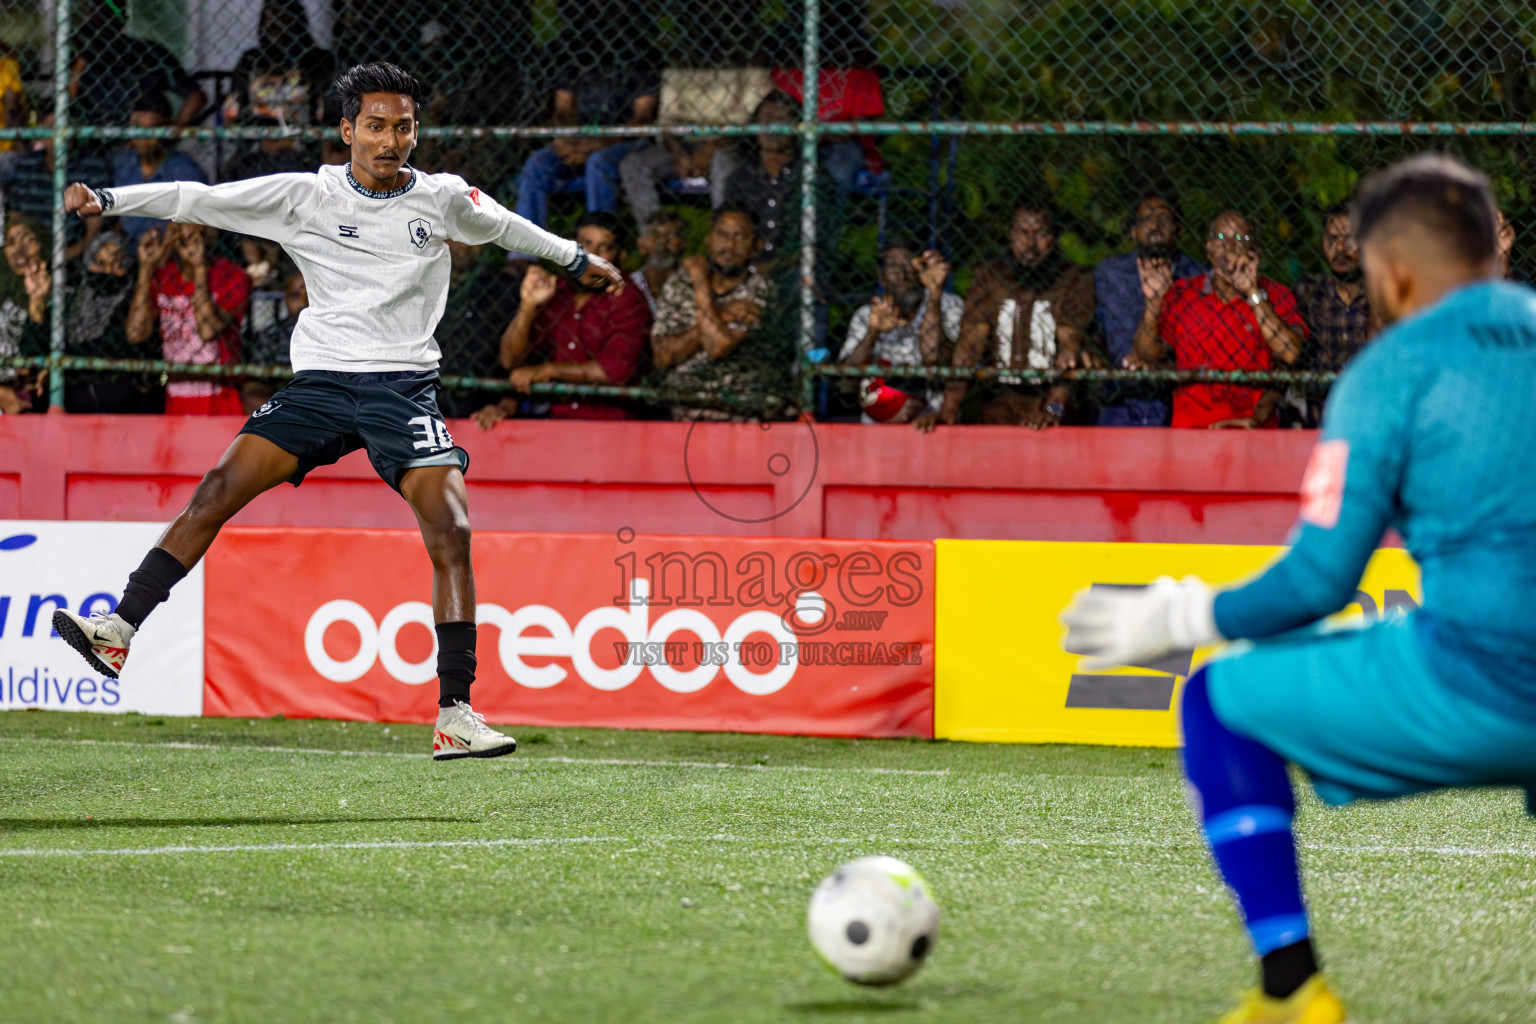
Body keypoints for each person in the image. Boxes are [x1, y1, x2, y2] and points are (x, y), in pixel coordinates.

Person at [1061, 154, 1536, 1024]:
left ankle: (1293, 988)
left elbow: (1321, 580)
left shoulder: (1390, 373)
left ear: (1390, 272)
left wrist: (1181, 611)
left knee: (1218, 701)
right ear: (1492, 250)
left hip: (1480, 682)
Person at [51, 62, 623, 761]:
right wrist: (108, 199)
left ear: (417, 131)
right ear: (347, 130)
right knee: (215, 492)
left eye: (403, 127)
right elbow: (197, 198)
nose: (390, 140)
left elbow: (506, 227)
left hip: (404, 388)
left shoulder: (442, 198)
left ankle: (456, 714)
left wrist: (573, 259)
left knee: (452, 530)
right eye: (376, 126)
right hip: (321, 383)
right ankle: (118, 632)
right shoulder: (305, 195)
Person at [915, 203, 1096, 431]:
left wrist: (1051, 411)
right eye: (1023, 233)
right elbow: (970, 346)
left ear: (1053, 238)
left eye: (1040, 234)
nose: (1030, 244)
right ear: (1011, 235)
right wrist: (949, 409)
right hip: (1000, 404)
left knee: (1076, 358)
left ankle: (1051, 416)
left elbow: (1071, 348)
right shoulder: (990, 277)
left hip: (1056, 402)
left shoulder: (1074, 279)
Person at [476, 211, 651, 426]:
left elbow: (614, 371)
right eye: (585, 245)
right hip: (554, 421)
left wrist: (548, 371)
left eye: (603, 248)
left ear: (620, 256)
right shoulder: (555, 291)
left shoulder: (628, 301)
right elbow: (511, 359)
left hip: (612, 424)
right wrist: (528, 307)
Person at [1137, 210, 1306, 429]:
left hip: (1252, 430)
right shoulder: (1183, 294)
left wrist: (1252, 292)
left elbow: (1291, 353)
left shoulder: (1275, 294)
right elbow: (1147, 354)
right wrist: (1153, 303)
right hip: (1191, 431)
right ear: (1208, 249)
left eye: (1240, 239)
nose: (1230, 246)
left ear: (1254, 251)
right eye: (1220, 238)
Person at [650, 203, 784, 419]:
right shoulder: (679, 285)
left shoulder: (760, 289)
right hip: (680, 406)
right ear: (709, 239)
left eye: (740, 238)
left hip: (737, 408)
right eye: (722, 235)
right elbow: (663, 356)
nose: (729, 247)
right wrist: (722, 313)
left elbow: (717, 345)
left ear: (756, 245)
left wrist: (701, 284)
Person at [1093, 195, 1204, 426]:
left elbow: (1197, 351)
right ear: (1133, 230)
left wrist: (1162, 366)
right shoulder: (1112, 273)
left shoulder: (1199, 277)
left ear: (1179, 229)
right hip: (1122, 399)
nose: (1155, 226)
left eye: (1164, 218)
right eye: (1146, 219)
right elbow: (1120, 348)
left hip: (1177, 398)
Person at [126, 222, 250, 415]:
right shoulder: (165, 276)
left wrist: (199, 268)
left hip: (221, 396)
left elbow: (207, 331)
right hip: (177, 394)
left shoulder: (232, 276)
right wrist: (146, 269)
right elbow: (135, 333)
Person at [838, 242, 961, 424]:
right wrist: (873, 333)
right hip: (879, 424)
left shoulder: (948, 305)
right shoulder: (866, 314)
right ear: (882, 278)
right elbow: (845, 384)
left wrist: (934, 295)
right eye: (892, 267)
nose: (901, 274)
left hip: (932, 421)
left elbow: (938, 357)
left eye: (907, 265)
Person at [64, 231, 164, 413]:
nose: (108, 272)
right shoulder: (72, 299)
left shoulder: (134, 297)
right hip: (80, 400)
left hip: (127, 400)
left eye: (117, 264)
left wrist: (145, 270)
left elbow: (136, 333)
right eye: (100, 263)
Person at [1292, 206, 1374, 426]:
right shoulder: (1309, 294)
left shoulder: (1381, 296)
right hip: (1322, 414)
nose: (1340, 248)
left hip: (1372, 409)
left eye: (1349, 239)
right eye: (1332, 239)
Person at [2, 118, 111, 262]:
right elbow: (16, 217)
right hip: (30, 253)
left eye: (64, 127)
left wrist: (69, 254)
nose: (59, 135)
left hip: (77, 253)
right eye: (51, 128)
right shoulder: (25, 165)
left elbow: (94, 230)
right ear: (41, 134)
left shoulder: (91, 168)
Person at [113, 92, 208, 245]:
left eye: (150, 130)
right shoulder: (123, 162)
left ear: (165, 130)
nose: (142, 138)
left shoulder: (184, 170)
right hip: (129, 253)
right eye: (136, 129)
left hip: (171, 256)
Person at [0, 213, 51, 414]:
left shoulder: (63, 293)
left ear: (43, 245)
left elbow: (38, 349)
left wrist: (37, 298)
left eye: (27, 239)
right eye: (11, 242)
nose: (19, 249)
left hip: (25, 393)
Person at [240, 270, 306, 415]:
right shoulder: (272, 334)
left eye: (309, 296)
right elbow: (253, 383)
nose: (303, 303)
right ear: (285, 299)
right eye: (295, 295)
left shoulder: (333, 333)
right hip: (281, 401)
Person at [629, 209, 686, 314]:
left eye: (670, 236)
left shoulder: (694, 283)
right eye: (655, 236)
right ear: (641, 244)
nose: (662, 244)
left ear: (683, 243)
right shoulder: (629, 287)